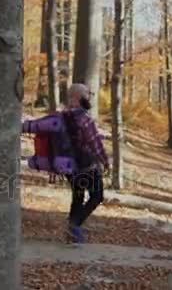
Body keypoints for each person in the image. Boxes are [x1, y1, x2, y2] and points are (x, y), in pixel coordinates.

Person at [62, 83, 109, 243]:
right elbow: (94, 142)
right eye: (87, 94)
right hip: (86, 165)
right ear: (77, 97)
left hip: (68, 166)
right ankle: (74, 225)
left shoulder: (62, 116)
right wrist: (105, 161)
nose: (89, 97)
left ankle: (73, 232)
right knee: (97, 196)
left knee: (78, 196)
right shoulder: (83, 118)